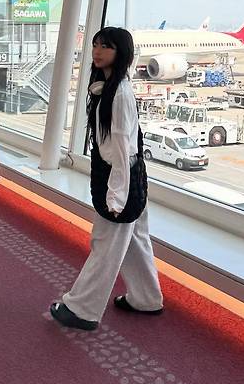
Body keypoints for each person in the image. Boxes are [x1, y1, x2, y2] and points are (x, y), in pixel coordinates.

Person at [50, 27, 163, 331]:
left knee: (106, 244)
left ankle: (82, 309)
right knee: (135, 239)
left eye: (106, 47)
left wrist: (117, 196)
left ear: (120, 52)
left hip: (120, 178)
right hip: (126, 177)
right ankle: (146, 298)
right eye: (96, 45)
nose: (97, 51)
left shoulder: (119, 94)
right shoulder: (109, 87)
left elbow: (123, 149)